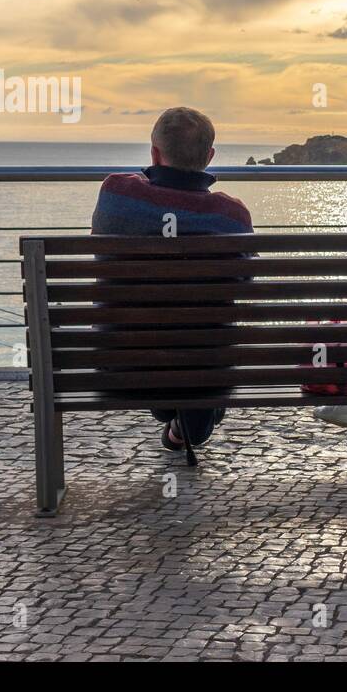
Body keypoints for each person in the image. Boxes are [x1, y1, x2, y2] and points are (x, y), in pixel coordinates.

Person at [90, 107, 253, 456]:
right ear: (210, 157)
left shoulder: (116, 194)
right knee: (202, 340)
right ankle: (188, 414)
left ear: (153, 152)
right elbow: (245, 281)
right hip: (205, 365)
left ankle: (175, 412)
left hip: (123, 365)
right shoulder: (232, 215)